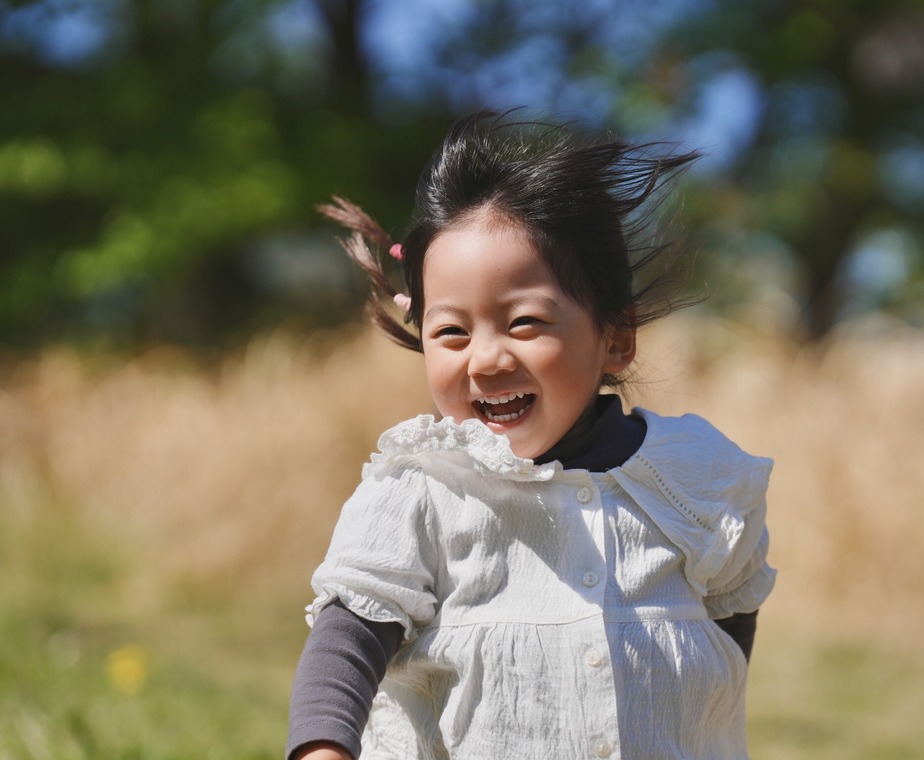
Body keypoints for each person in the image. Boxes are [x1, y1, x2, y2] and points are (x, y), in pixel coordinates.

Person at [287, 111, 776, 760]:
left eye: (523, 323)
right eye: (452, 332)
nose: (486, 360)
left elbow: (728, 635)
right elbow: (345, 641)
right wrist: (324, 749)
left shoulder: (693, 480)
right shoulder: (423, 491)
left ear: (615, 339)